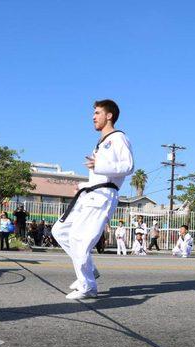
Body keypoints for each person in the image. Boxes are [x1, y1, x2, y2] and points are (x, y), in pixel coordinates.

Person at [52, 99, 134, 300]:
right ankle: (90, 270)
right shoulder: (101, 142)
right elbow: (101, 174)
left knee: (79, 240)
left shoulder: (118, 138)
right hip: (90, 195)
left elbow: (128, 166)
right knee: (60, 230)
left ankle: (88, 286)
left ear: (109, 115)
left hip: (103, 197)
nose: (93, 116)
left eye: (97, 113)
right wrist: (83, 186)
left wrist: (100, 164)